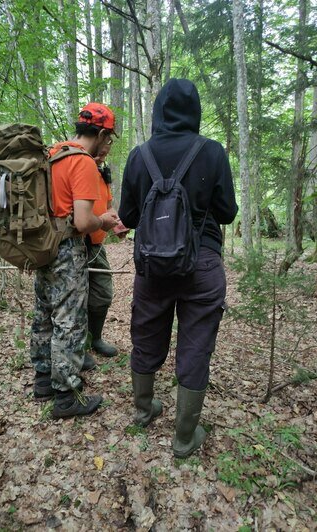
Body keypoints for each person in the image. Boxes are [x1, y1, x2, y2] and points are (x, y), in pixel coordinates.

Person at [118, 78, 238, 457]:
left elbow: (128, 216)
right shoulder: (212, 152)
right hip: (202, 264)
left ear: (158, 112)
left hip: (152, 266)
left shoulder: (140, 156)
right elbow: (228, 213)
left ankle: (143, 409)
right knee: (196, 344)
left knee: (146, 330)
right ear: (195, 112)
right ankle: (184, 438)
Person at [30, 103, 119, 418]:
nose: (109, 146)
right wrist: (104, 221)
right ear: (102, 133)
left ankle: (42, 379)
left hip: (43, 244)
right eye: (110, 139)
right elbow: (82, 221)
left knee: (43, 311)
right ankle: (66, 396)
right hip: (67, 249)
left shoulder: (53, 153)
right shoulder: (81, 161)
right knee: (69, 319)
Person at [85, 144, 119, 360]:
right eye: (99, 153)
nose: (101, 157)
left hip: (97, 246)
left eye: (105, 154)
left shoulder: (101, 173)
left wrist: (117, 224)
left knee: (103, 294)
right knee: (77, 299)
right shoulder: (77, 166)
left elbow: (108, 206)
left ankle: (95, 338)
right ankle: (80, 346)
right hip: (75, 244)